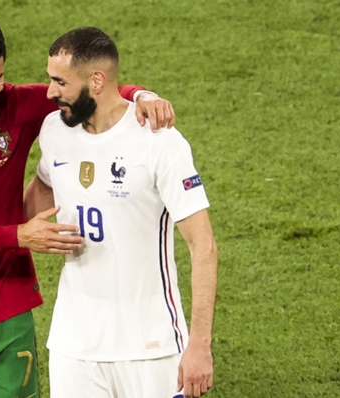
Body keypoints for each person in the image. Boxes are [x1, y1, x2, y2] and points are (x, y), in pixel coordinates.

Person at [0, 16, 176, 398]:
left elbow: (91, 89)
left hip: (7, 307)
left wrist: (142, 96)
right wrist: (19, 235)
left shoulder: (16, 106)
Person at [24, 27, 218, 398]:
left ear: (96, 81)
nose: (50, 92)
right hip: (73, 345)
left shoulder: (158, 141)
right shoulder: (54, 130)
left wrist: (199, 346)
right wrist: (33, 227)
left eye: (59, 82)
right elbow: (46, 183)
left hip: (149, 347)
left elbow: (204, 246)